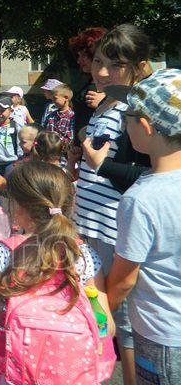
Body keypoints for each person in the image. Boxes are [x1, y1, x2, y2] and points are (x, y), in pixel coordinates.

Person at [72, 24, 152, 385]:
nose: (102, 72)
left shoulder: (137, 109)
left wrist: (101, 165)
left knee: (123, 324)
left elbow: (149, 175)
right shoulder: (108, 102)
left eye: (115, 65)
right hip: (90, 228)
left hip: (113, 232)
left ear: (139, 66)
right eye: (98, 62)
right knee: (97, 313)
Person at [0, 161, 112, 385]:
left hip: (18, 372)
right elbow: (106, 326)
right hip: (75, 374)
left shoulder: (4, 252)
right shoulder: (84, 256)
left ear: (18, 207)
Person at [106, 69, 181, 385]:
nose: (125, 124)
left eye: (128, 117)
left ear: (146, 126)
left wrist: (101, 313)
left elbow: (125, 279)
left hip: (161, 331)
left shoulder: (141, 198)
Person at [68, 27, 107, 139]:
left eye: (83, 55)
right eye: (78, 55)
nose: (79, 61)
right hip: (83, 145)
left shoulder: (113, 86)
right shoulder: (87, 82)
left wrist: (105, 102)